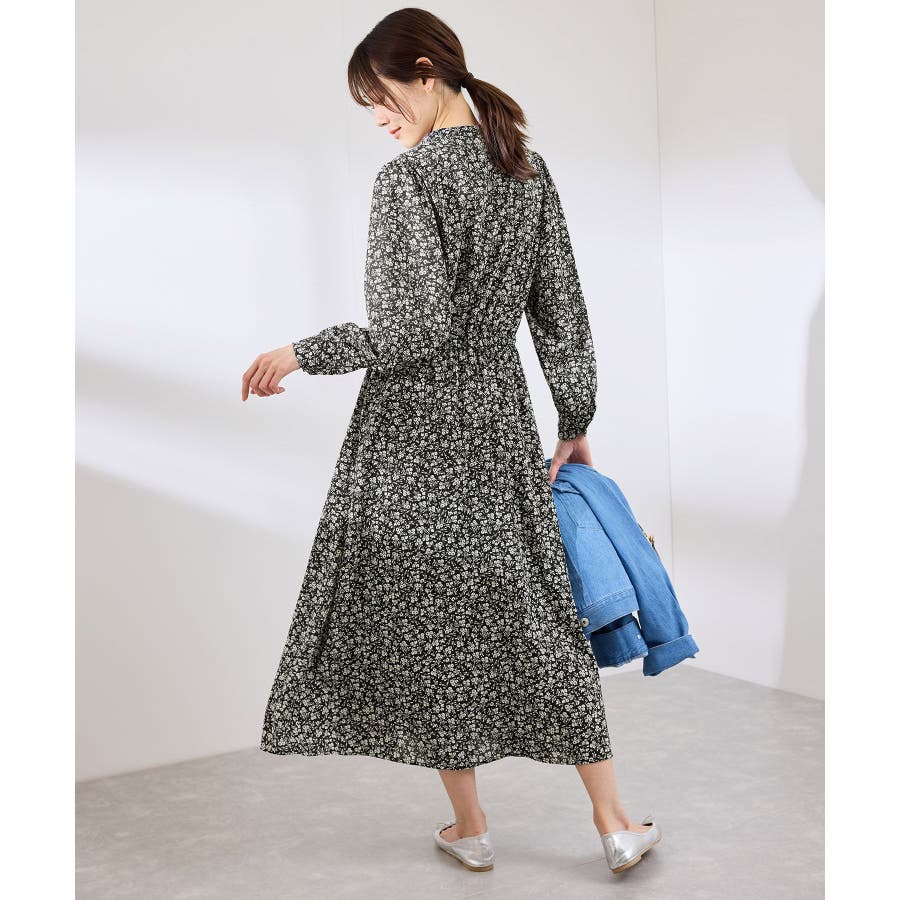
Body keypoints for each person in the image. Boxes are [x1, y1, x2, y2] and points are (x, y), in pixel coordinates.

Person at [241, 8, 660, 877]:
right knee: (541, 613)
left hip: (413, 429)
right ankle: (615, 820)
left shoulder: (409, 180)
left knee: (431, 624)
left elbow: (411, 329)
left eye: (380, 96)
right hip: (499, 420)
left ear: (426, 71)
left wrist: (303, 352)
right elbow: (562, 312)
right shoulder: (527, 171)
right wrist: (574, 421)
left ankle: (471, 828)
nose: (377, 118)